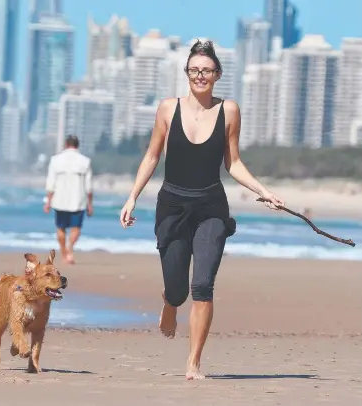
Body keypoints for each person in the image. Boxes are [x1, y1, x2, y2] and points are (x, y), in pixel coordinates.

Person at [119, 39, 285, 380]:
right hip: (172, 207)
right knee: (178, 290)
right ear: (186, 73)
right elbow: (152, 156)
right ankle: (169, 301)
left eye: (206, 70)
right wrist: (132, 196)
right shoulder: (168, 108)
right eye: (194, 70)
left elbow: (233, 162)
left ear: (218, 74)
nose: (200, 75)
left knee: (203, 285)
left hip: (210, 207)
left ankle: (194, 363)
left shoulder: (230, 111)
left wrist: (263, 191)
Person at [44, 135, 94, 264]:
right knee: (76, 227)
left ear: (66, 144)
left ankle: (64, 253)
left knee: (60, 228)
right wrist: (90, 204)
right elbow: (89, 187)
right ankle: (69, 249)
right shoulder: (85, 161)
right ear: (77, 145)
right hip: (78, 199)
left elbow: (51, 183)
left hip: (59, 200)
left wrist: (48, 202)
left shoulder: (55, 160)